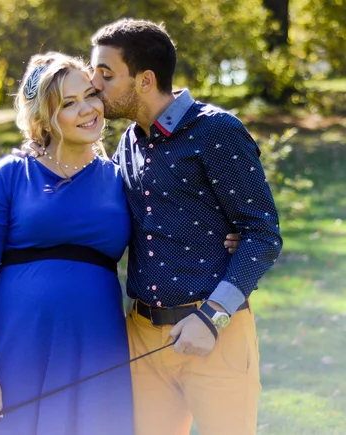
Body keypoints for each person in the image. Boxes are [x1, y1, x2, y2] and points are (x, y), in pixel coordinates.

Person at [89, 18, 283, 435]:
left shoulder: (216, 131)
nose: (94, 84)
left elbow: (263, 234)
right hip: (141, 335)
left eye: (106, 74)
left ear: (144, 80)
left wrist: (213, 317)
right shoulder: (128, 142)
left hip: (214, 333)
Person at [0, 52, 134, 435]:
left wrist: (228, 236)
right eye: (69, 104)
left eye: (90, 95)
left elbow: (168, 233)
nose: (88, 109)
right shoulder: (10, 175)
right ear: (44, 118)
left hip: (97, 347)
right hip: (18, 350)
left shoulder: (121, 180)